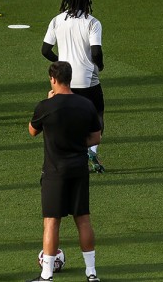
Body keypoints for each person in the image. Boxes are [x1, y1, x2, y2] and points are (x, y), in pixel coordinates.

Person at [28, 62, 102, 282]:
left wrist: (49, 101)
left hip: (54, 172)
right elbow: (96, 137)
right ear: (70, 78)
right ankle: (91, 273)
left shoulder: (46, 106)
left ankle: (47, 275)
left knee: (51, 222)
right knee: (83, 220)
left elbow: (32, 131)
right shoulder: (86, 104)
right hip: (79, 169)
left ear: (53, 79)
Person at [41, 0, 105, 174]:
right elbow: (96, 51)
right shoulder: (92, 22)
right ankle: (91, 151)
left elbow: (45, 50)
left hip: (64, 80)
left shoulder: (57, 20)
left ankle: (65, 156)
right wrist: (99, 65)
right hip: (87, 79)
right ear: (87, 0)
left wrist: (60, 62)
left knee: (65, 120)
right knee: (97, 116)